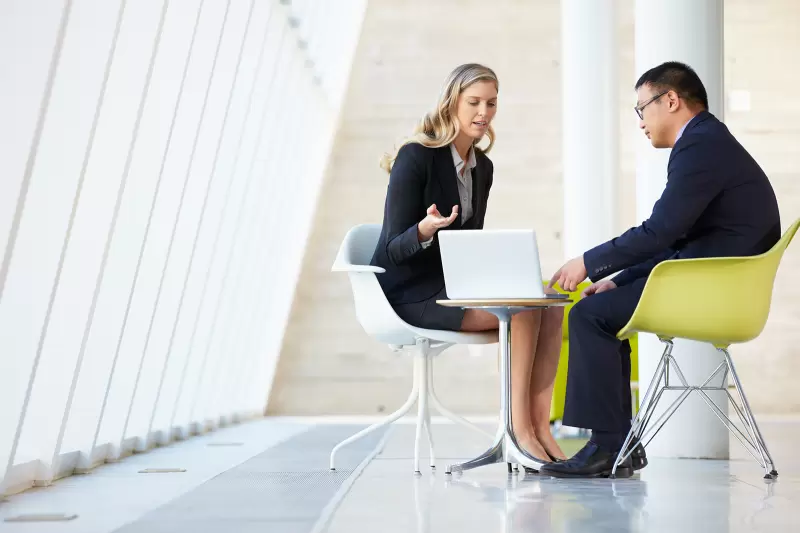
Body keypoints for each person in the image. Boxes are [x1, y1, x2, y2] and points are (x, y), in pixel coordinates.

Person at [541, 61, 781, 479]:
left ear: (670, 100)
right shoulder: (709, 141)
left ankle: (608, 446)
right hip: (718, 283)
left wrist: (587, 263)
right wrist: (617, 280)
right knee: (601, 310)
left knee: (588, 316)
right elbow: (675, 242)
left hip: (714, 288)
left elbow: (659, 233)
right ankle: (619, 447)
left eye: (641, 108)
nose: (640, 122)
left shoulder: (701, 145)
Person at [370, 63, 566, 468]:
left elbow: (469, 246)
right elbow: (390, 251)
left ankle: (540, 428)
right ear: (451, 103)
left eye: (491, 103)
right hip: (409, 292)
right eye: (474, 102)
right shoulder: (416, 157)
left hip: (454, 284)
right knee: (524, 308)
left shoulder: (483, 168)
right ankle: (519, 433)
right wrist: (424, 230)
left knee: (548, 300)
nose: (483, 112)